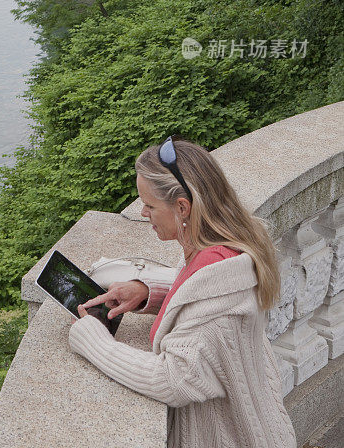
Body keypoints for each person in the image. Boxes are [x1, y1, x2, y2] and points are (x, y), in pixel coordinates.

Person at [69, 136, 297, 448]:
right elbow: (199, 300)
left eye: (149, 205)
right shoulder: (213, 246)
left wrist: (93, 341)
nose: (143, 213)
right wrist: (149, 292)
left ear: (182, 207)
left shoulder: (221, 282)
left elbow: (175, 380)